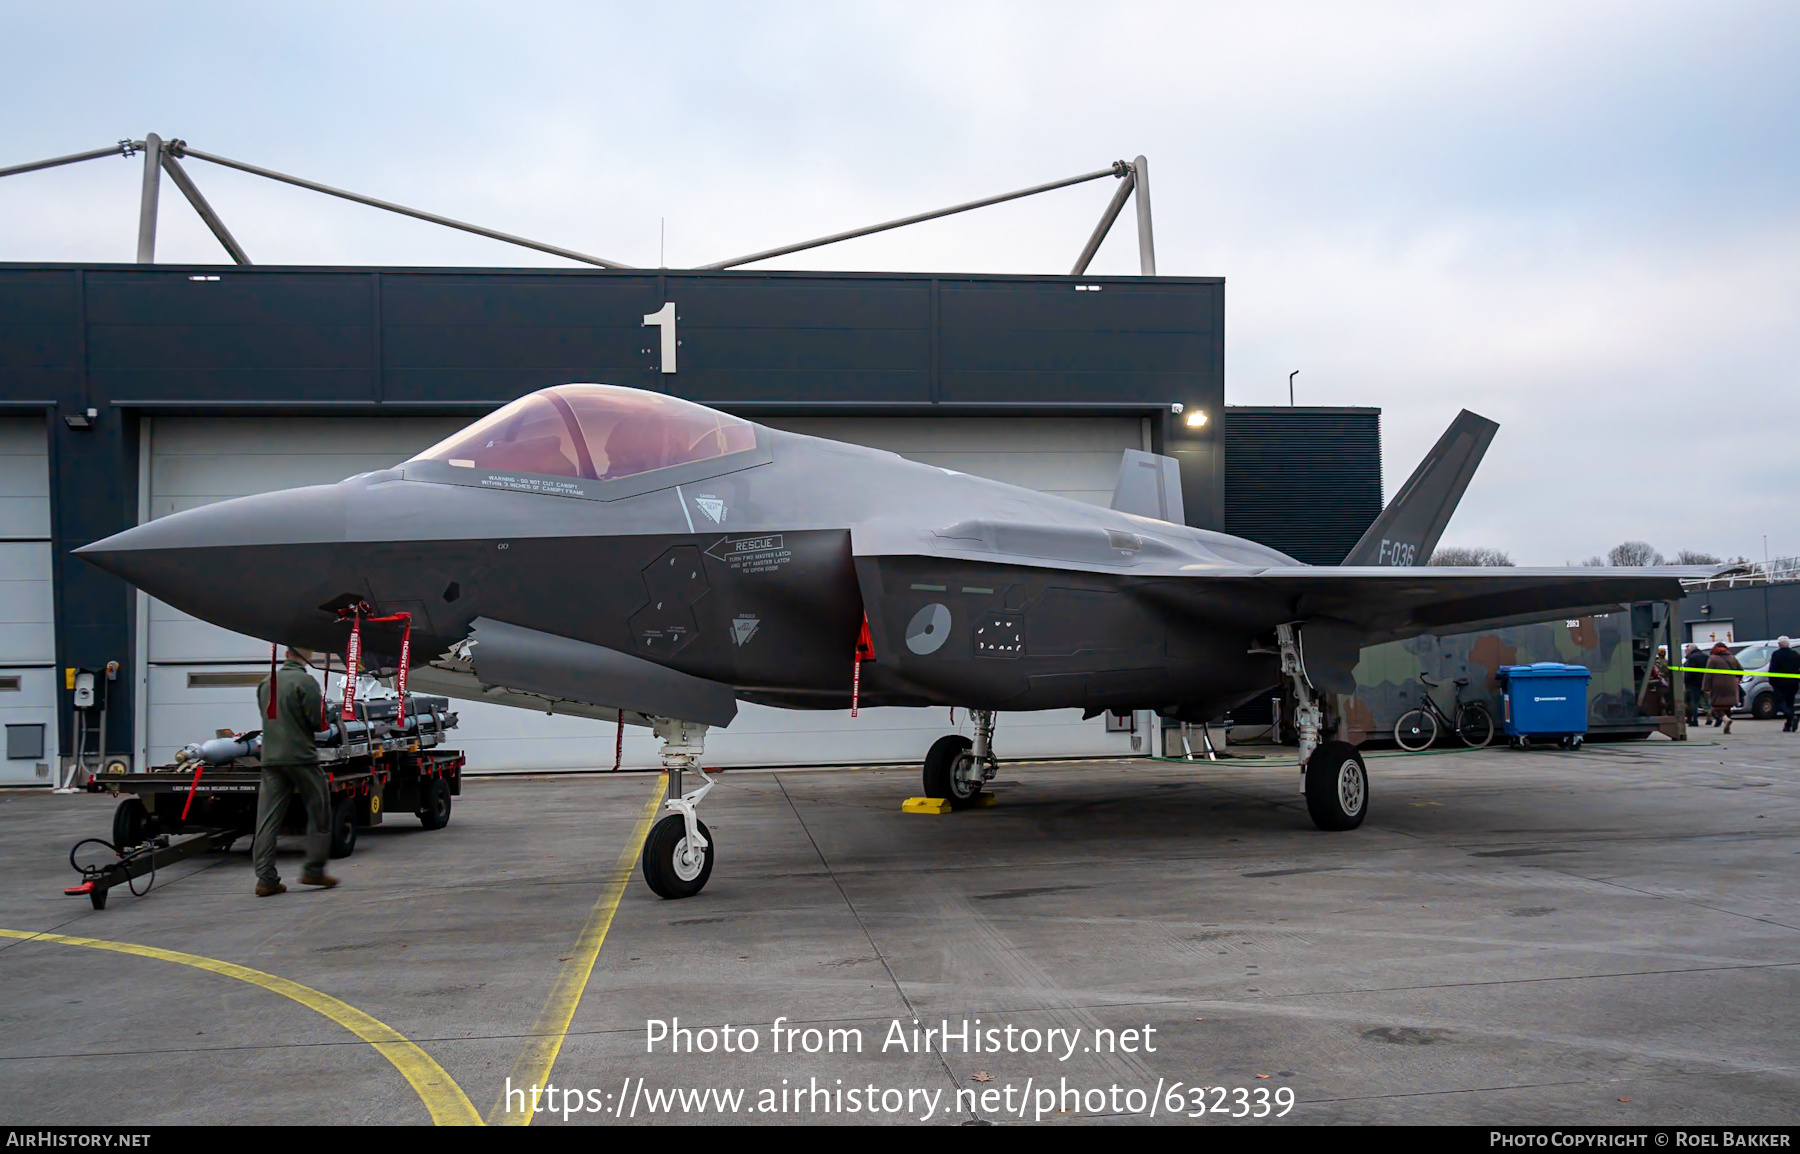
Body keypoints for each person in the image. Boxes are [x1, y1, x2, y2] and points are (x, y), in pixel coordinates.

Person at [252, 646, 339, 896]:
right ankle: (314, 870)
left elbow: (267, 716)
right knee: (319, 811)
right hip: (301, 757)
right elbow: (315, 721)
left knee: (267, 820)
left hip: (270, 759)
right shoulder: (306, 682)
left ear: (286, 654)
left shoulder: (266, 682)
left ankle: (266, 879)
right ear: (308, 655)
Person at [1701, 642, 1744, 735]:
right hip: (1731, 684)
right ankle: (1727, 724)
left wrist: (1706, 687)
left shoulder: (1713, 659)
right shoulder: (1732, 658)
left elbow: (1708, 674)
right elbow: (1741, 671)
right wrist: (1737, 679)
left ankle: (1725, 719)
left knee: (1716, 705)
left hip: (1717, 684)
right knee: (1728, 705)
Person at [1770, 636, 1800, 734]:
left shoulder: (1776, 654)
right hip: (1793, 683)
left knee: (1778, 703)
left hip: (1780, 683)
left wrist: (1772, 680)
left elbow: (1773, 668)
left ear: (1779, 644)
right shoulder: (1795, 654)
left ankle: (1791, 716)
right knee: (1789, 702)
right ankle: (1788, 725)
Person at [1682, 644, 1707, 725]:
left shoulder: (1692, 658)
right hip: (1704, 682)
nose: (1686, 652)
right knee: (1705, 701)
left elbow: (1690, 672)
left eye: (1686, 651)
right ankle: (1712, 717)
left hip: (1693, 683)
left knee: (1694, 702)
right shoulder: (1705, 656)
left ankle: (1694, 719)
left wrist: (1686, 681)